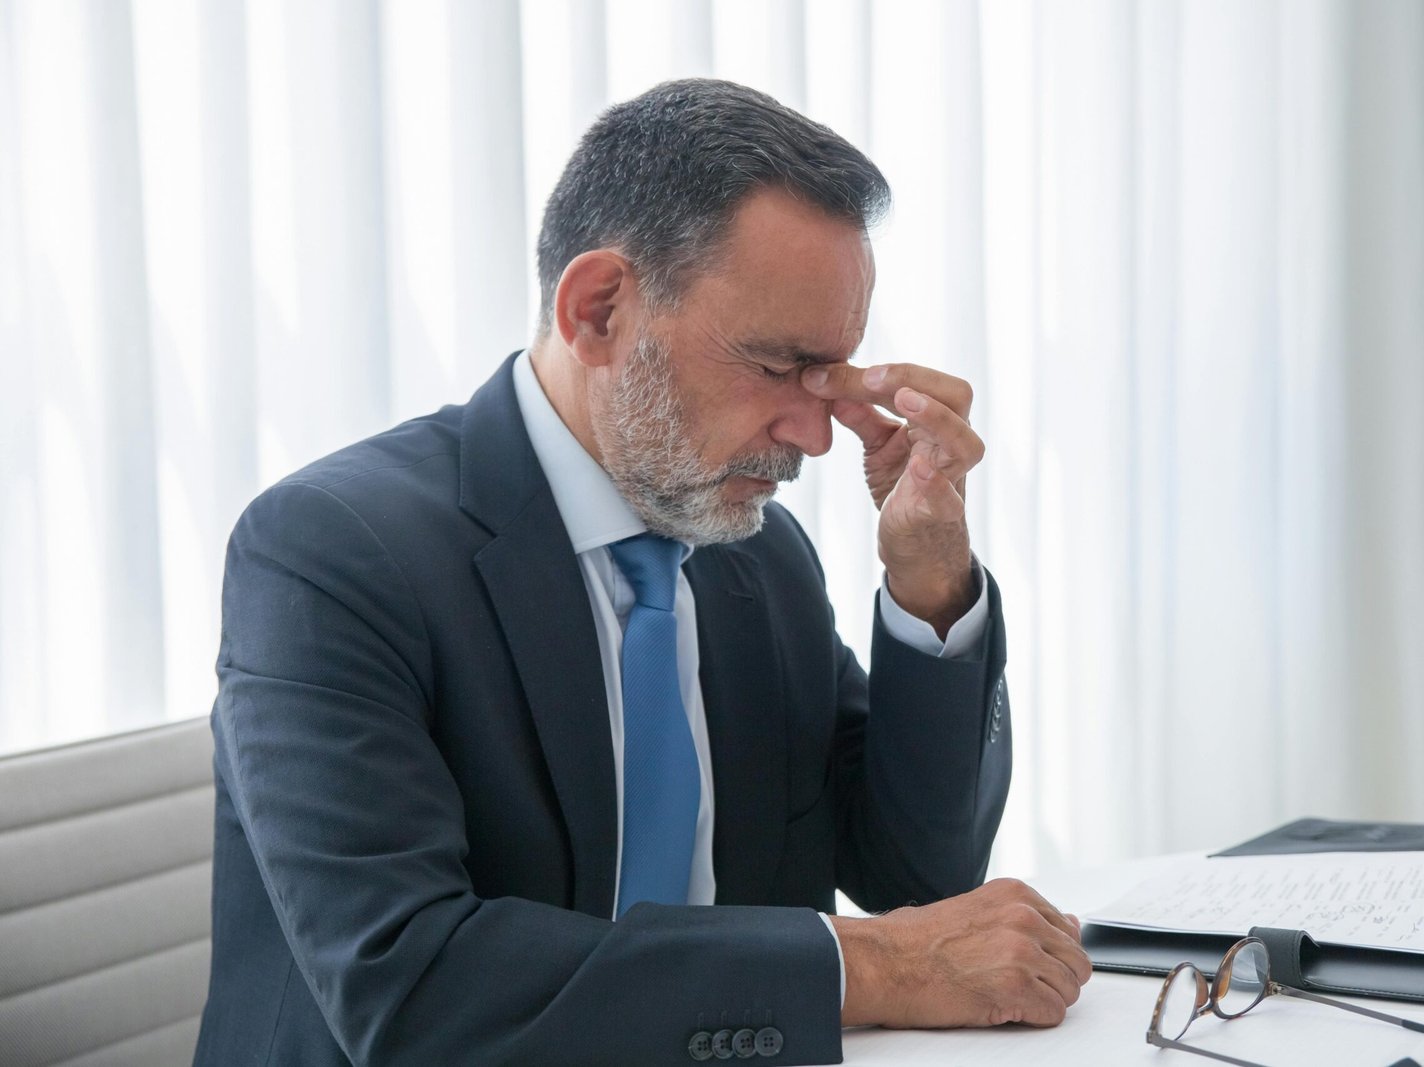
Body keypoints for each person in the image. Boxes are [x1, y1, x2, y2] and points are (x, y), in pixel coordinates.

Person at [194, 78, 1090, 1067]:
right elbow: (412, 986)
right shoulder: (332, 550)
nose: (813, 435)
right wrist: (870, 966)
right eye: (778, 365)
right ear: (599, 309)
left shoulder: (756, 556)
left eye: (830, 377)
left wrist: (930, 577)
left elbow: (918, 868)